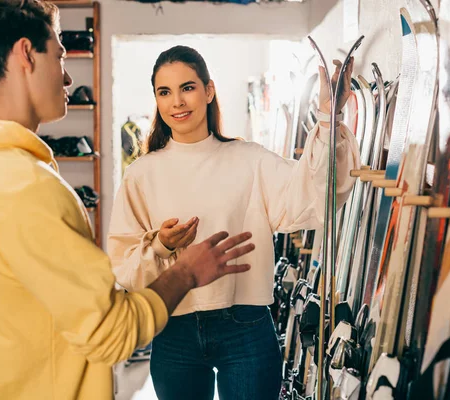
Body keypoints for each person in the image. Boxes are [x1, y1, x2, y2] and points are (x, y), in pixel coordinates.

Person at [0, 2, 256, 399]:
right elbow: (113, 332)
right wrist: (186, 272)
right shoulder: (23, 188)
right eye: (59, 55)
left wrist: (157, 248)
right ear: (26, 54)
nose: (68, 74)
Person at [107, 45, 360, 399]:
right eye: (165, 92)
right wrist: (162, 246)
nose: (177, 102)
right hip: (174, 329)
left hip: (246, 326)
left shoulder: (249, 160)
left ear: (208, 91)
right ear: (157, 100)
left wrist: (327, 116)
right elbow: (123, 269)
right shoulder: (141, 174)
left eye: (187, 88)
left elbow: (314, 196)